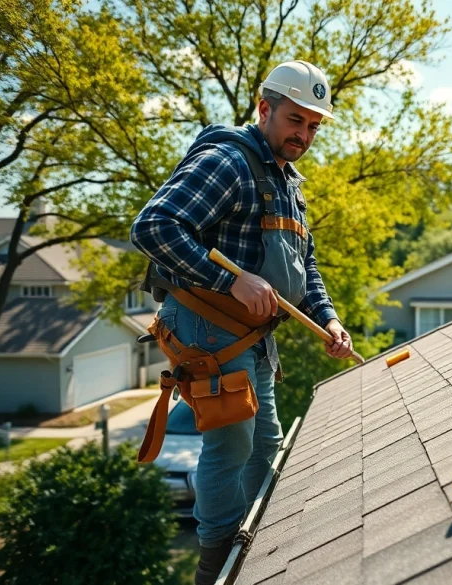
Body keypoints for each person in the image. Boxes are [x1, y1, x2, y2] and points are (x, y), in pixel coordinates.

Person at [129, 60, 352, 584]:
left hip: (252, 338)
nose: (304, 134)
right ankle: (219, 568)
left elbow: (305, 268)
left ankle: (260, 545)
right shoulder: (228, 162)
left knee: (265, 443)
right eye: (295, 120)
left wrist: (330, 320)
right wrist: (231, 280)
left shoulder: (288, 184)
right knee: (231, 447)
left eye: (314, 126)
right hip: (209, 326)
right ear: (265, 109)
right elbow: (153, 226)